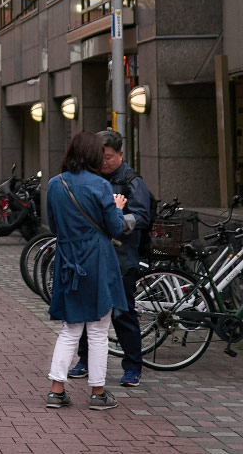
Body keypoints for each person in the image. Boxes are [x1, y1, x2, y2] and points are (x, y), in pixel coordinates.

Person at [44, 130, 128, 411]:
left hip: (68, 259)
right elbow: (116, 227)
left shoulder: (56, 184)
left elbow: (54, 226)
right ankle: (98, 393)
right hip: (97, 260)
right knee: (98, 330)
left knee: (70, 328)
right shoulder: (101, 185)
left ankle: (56, 390)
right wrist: (117, 208)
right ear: (94, 155)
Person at [66, 129, 152, 388]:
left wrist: (116, 222)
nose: (104, 162)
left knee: (123, 312)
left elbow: (143, 217)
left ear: (121, 154)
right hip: (92, 256)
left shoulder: (132, 182)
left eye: (109, 157)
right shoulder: (91, 179)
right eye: (100, 157)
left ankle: (133, 367)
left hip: (123, 257)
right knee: (86, 311)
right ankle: (84, 361)